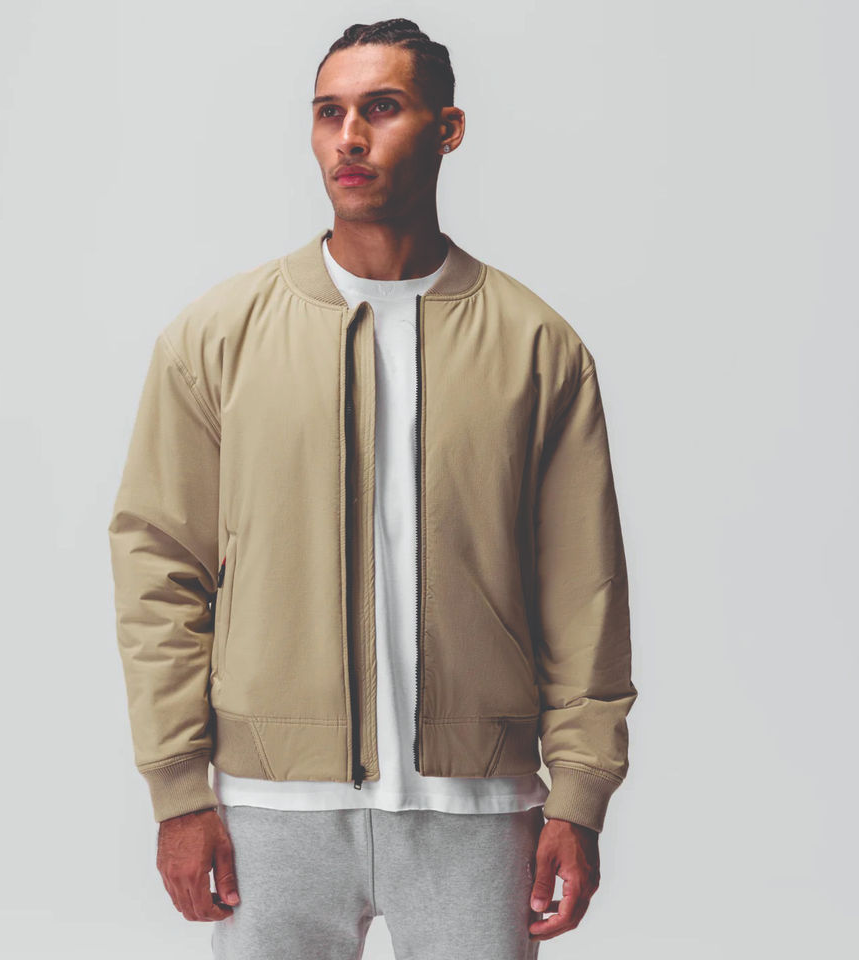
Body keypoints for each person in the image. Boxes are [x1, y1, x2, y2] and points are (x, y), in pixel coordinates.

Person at [107, 17, 637, 959]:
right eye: (329, 113)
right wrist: (179, 790)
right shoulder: (217, 338)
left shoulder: (537, 347)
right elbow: (160, 570)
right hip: (270, 811)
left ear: (448, 129)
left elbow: (584, 593)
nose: (348, 137)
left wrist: (581, 796)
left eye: (381, 108)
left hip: (481, 811)